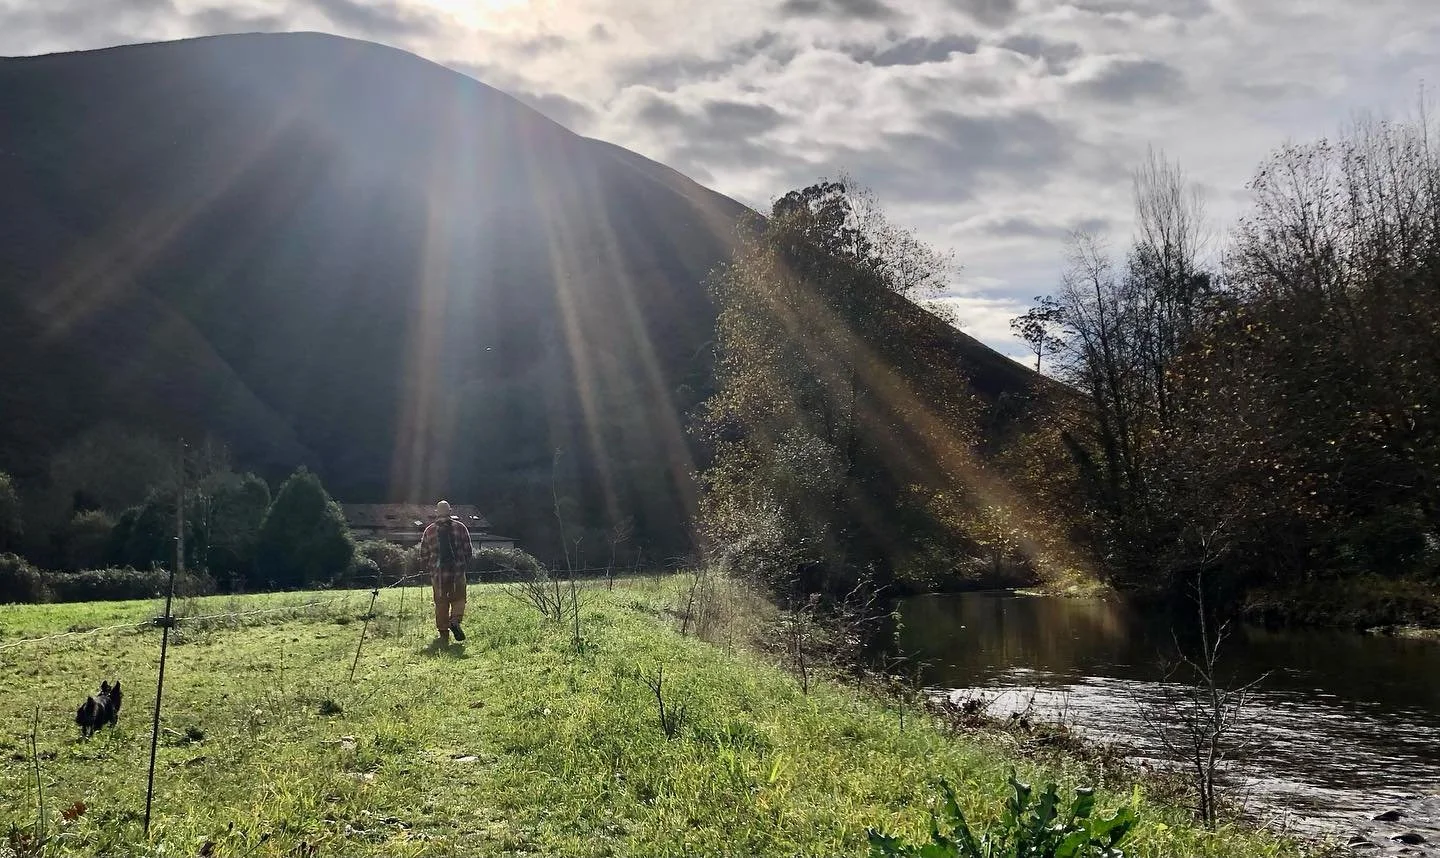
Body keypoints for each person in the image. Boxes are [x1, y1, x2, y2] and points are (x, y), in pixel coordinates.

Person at [418, 500, 471, 646]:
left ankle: (443, 634)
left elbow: (423, 554)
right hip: (457, 573)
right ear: (450, 511)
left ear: (436, 512)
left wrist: (429, 568)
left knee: (441, 603)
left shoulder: (429, 530)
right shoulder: (460, 528)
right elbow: (468, 550)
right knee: (459, 599)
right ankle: (454, 620)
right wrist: (463, 565)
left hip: (438, 575)